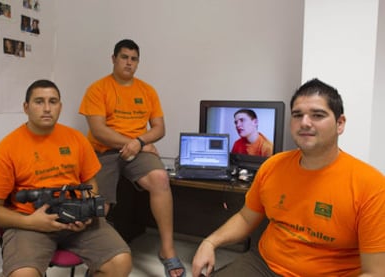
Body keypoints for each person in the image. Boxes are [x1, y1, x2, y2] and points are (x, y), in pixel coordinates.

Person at [192, 78, 385, 277]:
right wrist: (210, 242)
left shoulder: (371, 186)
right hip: (264, 266)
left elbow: (376, 272)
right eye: (297, 115)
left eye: (318, 115)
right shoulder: (273, 166)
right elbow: (245, 218)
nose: (305, 123)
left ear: (340, 123)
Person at [0, 79, 132, 277]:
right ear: (26, 107)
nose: (47, 108)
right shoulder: (7, 149)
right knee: (23, 274)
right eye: (39, 101)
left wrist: (86, 211)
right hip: (29, 223)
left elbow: (90, 183)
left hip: (76, 220)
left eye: (53, 101)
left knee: (120, 262)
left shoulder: (76, 139)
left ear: (60, 106)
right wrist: (32, 222)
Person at [79, 39, 186, 277]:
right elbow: (98, 130)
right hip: (104, 151)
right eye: (124, 57)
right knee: (100, 205)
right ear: (114, 59)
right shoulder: (97, 89)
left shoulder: (147, 90)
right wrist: (137, 143)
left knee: (160, 178)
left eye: (133, 58)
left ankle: (167, 250)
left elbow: (159, 128)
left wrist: (139, 143)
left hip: (137, 151)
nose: (129, 62)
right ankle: (99, 261)